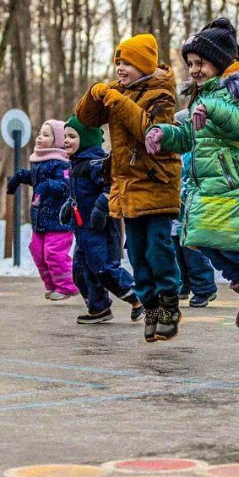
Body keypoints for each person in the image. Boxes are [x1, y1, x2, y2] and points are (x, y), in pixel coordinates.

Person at [145, 18, 239, 330]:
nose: (194, 69)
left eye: (201, 62)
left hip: (235, 183)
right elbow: (189, 138)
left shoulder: (237, 91)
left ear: (219, 61)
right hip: (209, 186)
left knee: (233, 244)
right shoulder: (201, 96)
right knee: (205, 243)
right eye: (191, 64)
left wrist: (213, 110)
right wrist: (164, 134)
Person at [74, 34, 183, 342]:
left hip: (157, 182)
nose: (121, 68)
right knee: (136, 253)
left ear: (144, 65)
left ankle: (169, 306)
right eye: (118, 62)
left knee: (158, 249)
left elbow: (151, 132)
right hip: (128, 187)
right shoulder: (119, 92)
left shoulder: (162, 95)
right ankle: (150, 307)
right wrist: (94, 94)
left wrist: (117, 101)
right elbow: (86, 119)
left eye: (128, 63)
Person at [64, 115, 142, 325]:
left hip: (102, 227)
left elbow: (112, 187)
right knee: (80, 271)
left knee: (104, 268)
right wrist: (68, 206)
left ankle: (138, 298)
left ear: (87, 139)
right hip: (83, 229)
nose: (66, 141)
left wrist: (102, 206)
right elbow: (78, 194)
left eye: (72, 136)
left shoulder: (97, 163)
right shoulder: (76, 164)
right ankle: (99, 308)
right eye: (65, 136)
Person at [7, 119, 79, 301]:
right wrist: (19, 177)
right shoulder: (39, 161)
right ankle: (52, 285)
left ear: (57, 141)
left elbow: (65, 186)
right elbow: (35, 179)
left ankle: (67, 286)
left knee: (53, 253)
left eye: (46, 135)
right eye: (39, 134)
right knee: (37, 250)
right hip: (40, 219)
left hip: (58, 219)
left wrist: (46, 186)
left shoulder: (62, 163)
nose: (39, 138)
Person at [174, 147, 217, 308]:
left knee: (194, 253)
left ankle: (204, 289)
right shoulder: (169, 152)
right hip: (173, 210)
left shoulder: (196, 153)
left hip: (192, 210)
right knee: (175, 252)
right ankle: (182, 285)